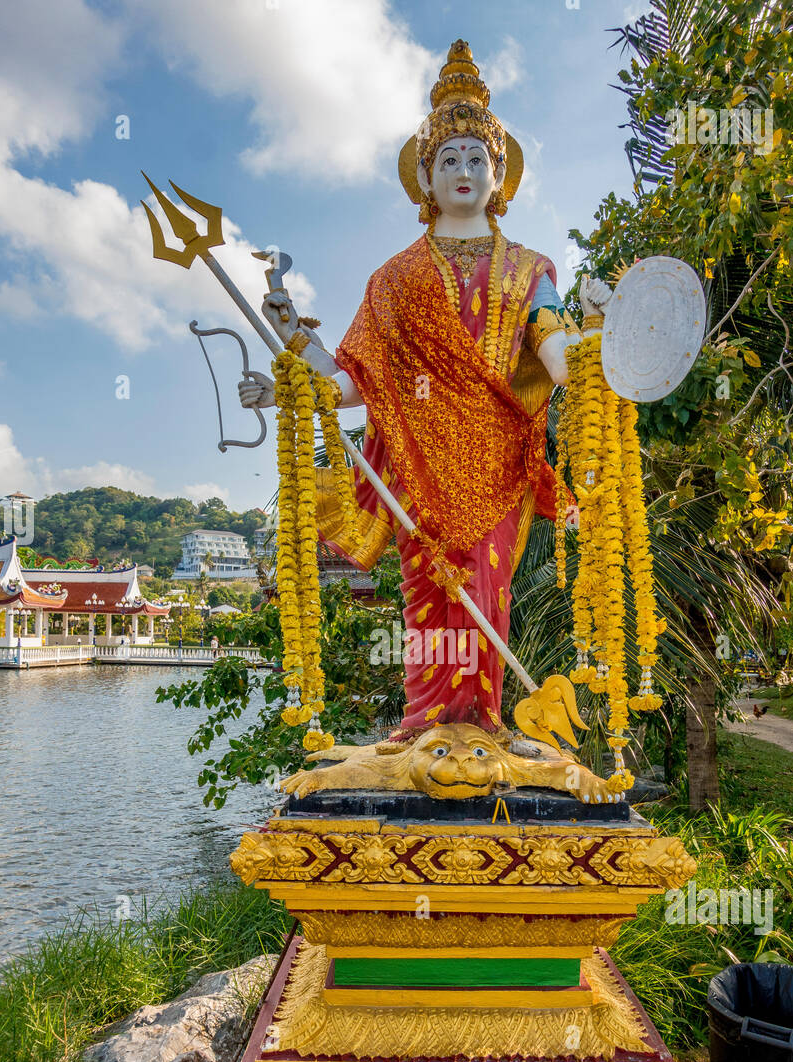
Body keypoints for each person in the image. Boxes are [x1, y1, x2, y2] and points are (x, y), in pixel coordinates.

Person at [239, 40, 612, 737]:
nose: (463, 170)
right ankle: (426, 727)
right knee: (430, 603)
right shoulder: (396, 279)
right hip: (419, 472)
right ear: (426, 177)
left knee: (483, 594)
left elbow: (555, 352)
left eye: (477, 158)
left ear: (499, 174)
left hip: (496, 467)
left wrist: (597, 346)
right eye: (448, 159)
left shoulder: (530, 270)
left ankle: (485, 726)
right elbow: (353, 382)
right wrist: (292, 361)